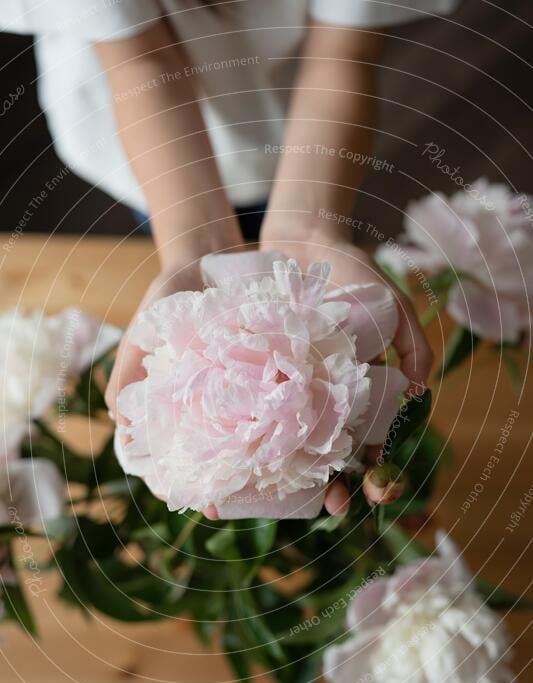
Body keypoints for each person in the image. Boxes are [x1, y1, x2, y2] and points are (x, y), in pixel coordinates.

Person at [1, 0, 458, 514]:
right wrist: (192, 248)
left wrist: (311, 224)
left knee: (323, 283)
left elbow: (342, 52)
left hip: (306, 136)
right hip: (159, 149)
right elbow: (141, 63)